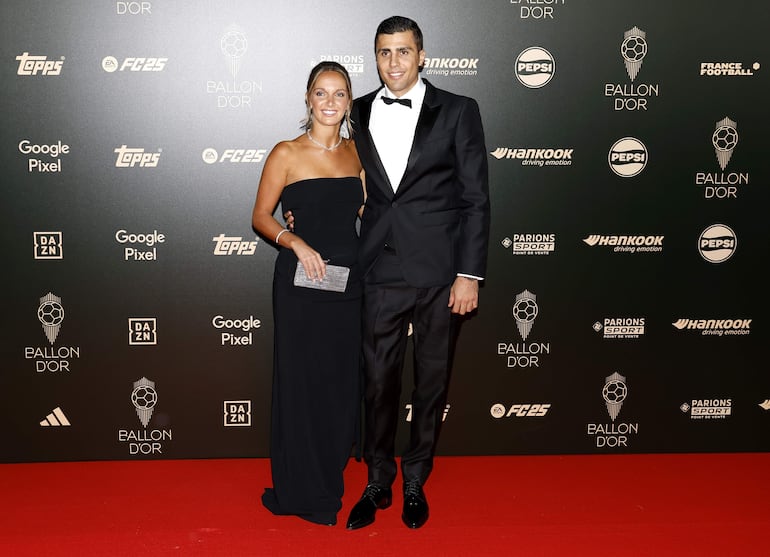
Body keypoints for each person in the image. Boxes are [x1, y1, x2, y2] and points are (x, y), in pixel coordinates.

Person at [344, 15, 490, 530]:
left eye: (403, 52)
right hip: (380, 264)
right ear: (376, 56)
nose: (393, 63)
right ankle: (377, 479)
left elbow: (475, 199)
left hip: (440, 271)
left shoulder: (458, 111)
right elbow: (340, 174)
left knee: (431, 382)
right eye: (384, 53)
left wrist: (469, 274)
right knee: (378, 381)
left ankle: (415, 479)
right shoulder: (357, 111)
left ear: (422, 56)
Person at [251, 61, 365, 526]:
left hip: (348, 287)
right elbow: (261, 216)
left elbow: (372, 212)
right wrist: (294, 241)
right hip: (299, 287)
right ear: (307, 98)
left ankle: (330, 464)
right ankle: (302, 485)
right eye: (322, 93)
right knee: (301, 383)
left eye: (340, 94)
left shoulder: (359, 154)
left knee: (339, 383)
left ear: (349, 102)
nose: (330, 103)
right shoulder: (286, 153)